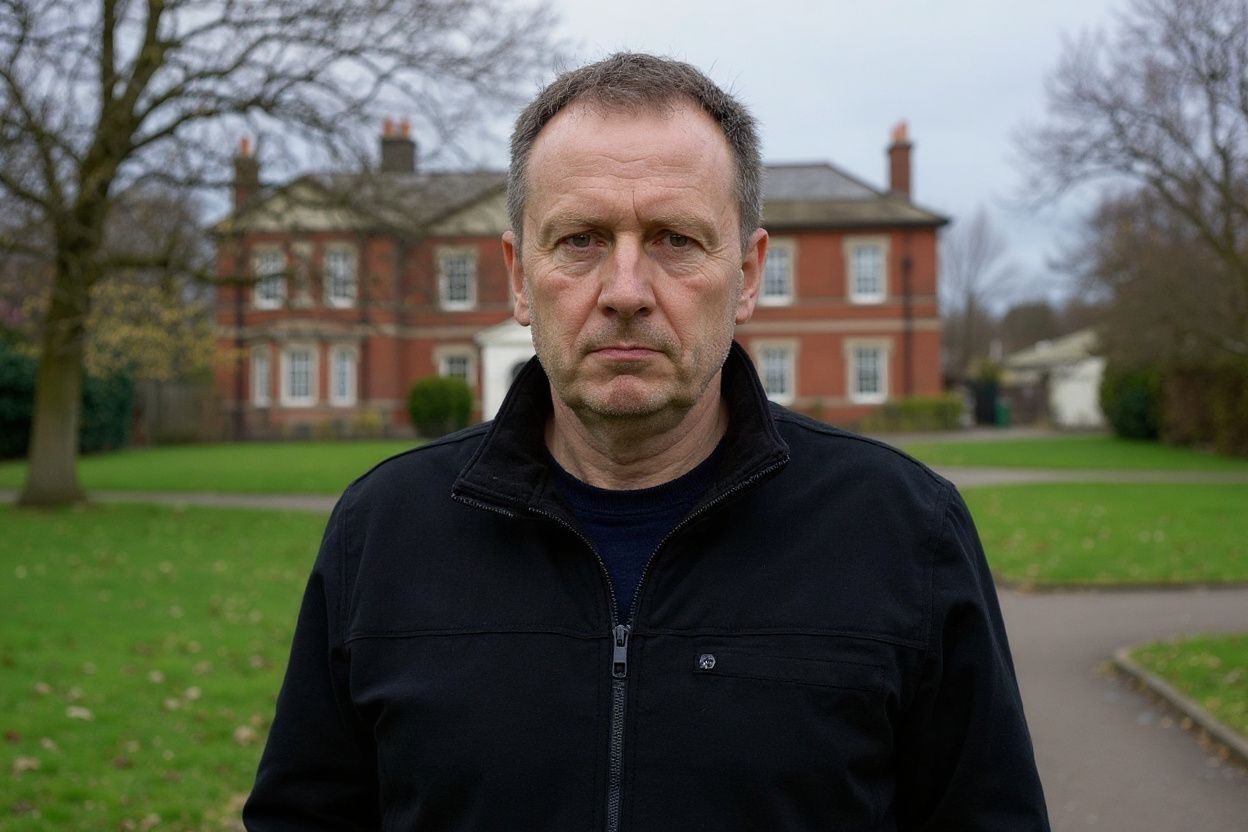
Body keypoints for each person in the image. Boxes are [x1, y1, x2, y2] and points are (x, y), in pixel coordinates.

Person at [243, 53, 1050, 831]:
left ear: (747, 273)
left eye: (674, 239)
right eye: (581, 240)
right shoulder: (382, 532)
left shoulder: (907, 533)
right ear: (519, 277)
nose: (625, 292)